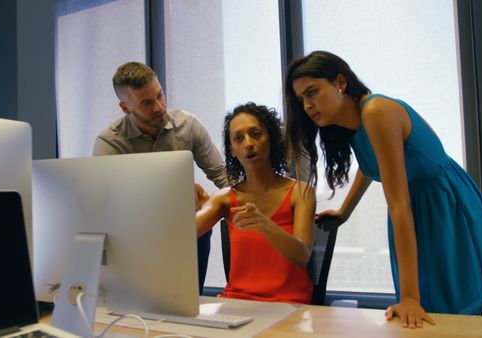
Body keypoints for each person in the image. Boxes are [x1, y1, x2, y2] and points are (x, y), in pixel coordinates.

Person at [284, 51, 482, 327]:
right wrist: (345, 210)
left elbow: (398, 204)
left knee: (450, 312)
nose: (307, 105)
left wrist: (411, 297)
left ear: (340, 82)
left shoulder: (376, 111)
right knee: (424, 315)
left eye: (312, 92)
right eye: (301, 99)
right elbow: (370, 164)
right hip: (413, 208)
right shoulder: (351, 123)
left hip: (441, 203)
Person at [94, 62, 228, 294]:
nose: (159, 107)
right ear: (125, 108)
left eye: (160, 95)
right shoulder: (110, 143)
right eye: (147, 103)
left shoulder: (187, 125)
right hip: (139, 238)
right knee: (145, 306)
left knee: (189, 303)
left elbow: (222, 175)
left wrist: (237, 201)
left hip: (190, 231)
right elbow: (111, 204)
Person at [195, 102, 316, 303]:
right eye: (238, 138)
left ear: (271, 138)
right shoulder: (224, 198)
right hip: (236, 303)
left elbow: (302, 256)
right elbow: (183, 235)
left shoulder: (301, 192)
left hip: (289, 304)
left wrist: (265, 225)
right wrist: (183, 200)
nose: (248, 143)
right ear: (232, 150)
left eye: (256, 134)